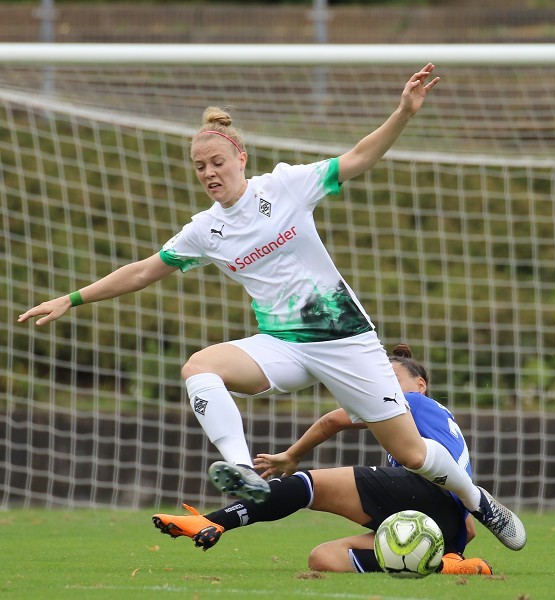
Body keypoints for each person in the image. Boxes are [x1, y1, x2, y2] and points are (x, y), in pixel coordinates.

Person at [18, 63, 525, 550]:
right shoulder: (205, 229)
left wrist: (404, 113)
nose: (209, 173)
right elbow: (145, 270)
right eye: (200, 167)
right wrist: (72, 297)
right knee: (200, 368)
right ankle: (241, 472)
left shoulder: (283, 186)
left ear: (240, 156)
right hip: (283, 345)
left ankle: (478, 501)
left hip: (345, 340)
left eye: (217, 162)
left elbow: (358, 157)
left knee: (413, 454)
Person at [153, 345, 492, 576]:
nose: (383, 387)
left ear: (420, 385)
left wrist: (292, 455)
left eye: (392, 380)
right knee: (324, 559)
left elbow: (332, 420)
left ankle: (215, 521)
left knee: (305, 485)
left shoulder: (413, 402)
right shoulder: (436, 424)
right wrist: (447, 535)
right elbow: (469, 527)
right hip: (446, 521)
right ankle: (446, 564)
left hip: (423, 493)